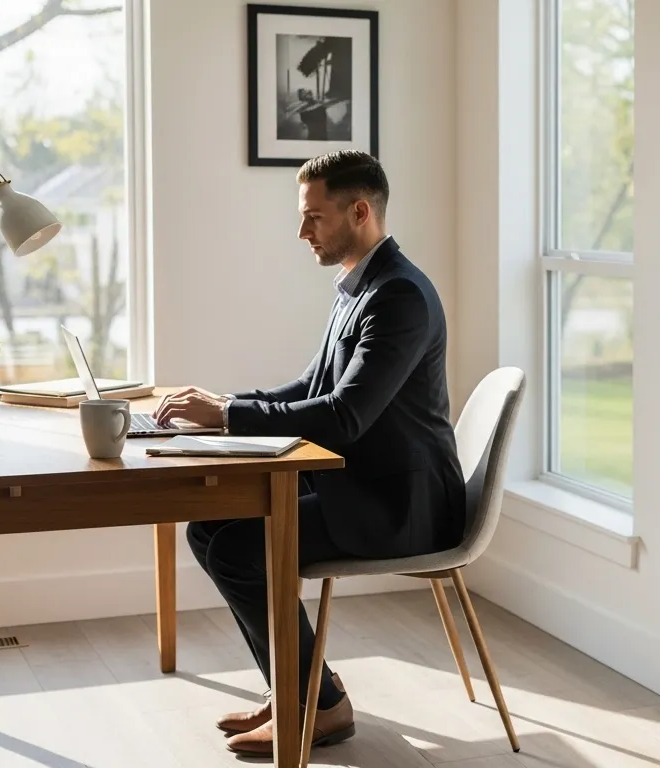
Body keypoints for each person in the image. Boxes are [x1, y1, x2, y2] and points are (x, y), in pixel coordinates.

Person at [152, 150, 465, 757]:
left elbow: (344, 417)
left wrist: (228, 417)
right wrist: (226, 405)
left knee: (242, 550)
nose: (302, 232)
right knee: (208, 528)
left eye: (313, 217)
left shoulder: (399, 296)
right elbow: (313, 387)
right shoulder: (359, 284)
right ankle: (295, 686)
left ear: (359, 210)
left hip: (401, 505)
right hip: (359, 484)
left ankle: (321, 705)